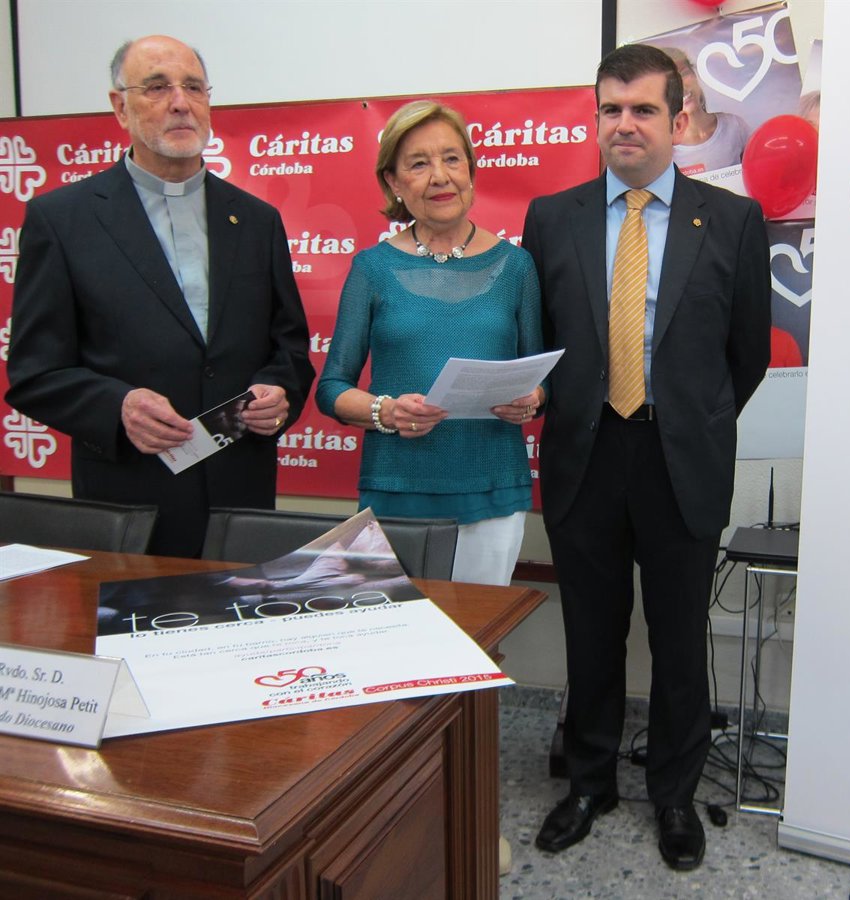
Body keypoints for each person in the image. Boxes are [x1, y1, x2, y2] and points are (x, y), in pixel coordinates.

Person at [523, 44, 770, 871]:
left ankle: (674, 794)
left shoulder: (732, 219)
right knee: (591, 634)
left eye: (642, 109)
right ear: (596, 118)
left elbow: (746, 354)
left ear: (679, 118)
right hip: (585, 453)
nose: (624, 124)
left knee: (677, 638)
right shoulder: (552, 218)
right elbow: (539, 338)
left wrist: (692, 419)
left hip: (679, 457)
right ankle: (589, 784)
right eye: (610, 109)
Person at [4, 35, 314, 558]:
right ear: (120, 107)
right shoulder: (62, 220)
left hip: (241, 500)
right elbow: (35, 373)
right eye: (156, 87)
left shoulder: (257, 220)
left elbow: (290, 348)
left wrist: (278, 390)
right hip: (130, 504)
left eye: (193, 87)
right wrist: (117, 406)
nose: (179, 102)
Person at [315, 100, 543, 588]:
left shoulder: (517, 267)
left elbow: (542, 378)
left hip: (492, 488)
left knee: (480, 631)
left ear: (471, 170)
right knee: (397, 634)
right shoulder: (371, 268)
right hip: (397, 488)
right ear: (394, 182)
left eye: (452, 158)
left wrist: (533, 398)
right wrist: (385, 411)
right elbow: (331, 388)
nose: (440, 176)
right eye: (419, 164)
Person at [661, 46, 751, 174]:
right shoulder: (664, 150)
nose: (681, 86)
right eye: (670, 83)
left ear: (694, 75)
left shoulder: (734, 126)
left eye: (684, 74)